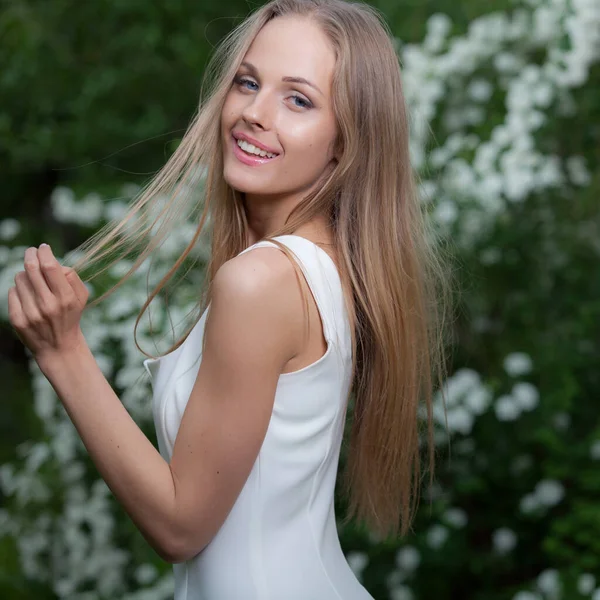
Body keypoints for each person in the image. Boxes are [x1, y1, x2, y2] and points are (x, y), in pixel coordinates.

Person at [8, 0, 451, 598]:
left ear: (347, 143)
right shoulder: (326, 268)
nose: (253, 113)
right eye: (248, 82)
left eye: (298, 99)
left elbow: (179, 525)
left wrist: (62, 352)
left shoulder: (262, 281)